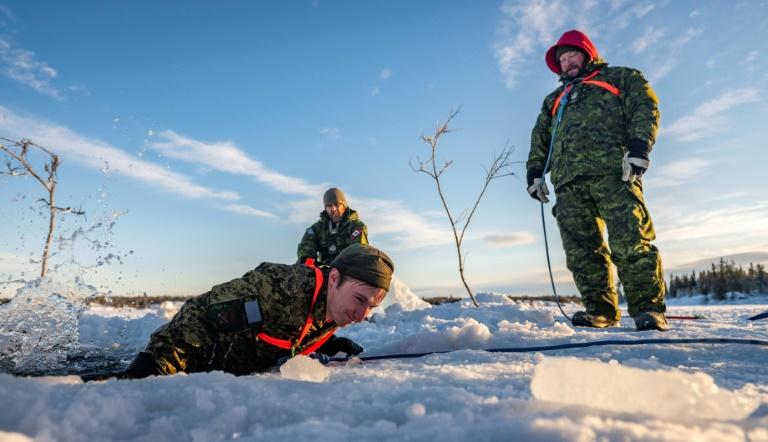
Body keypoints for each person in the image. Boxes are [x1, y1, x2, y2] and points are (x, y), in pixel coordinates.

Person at [526, 29, 667, 331]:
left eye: (572, 54)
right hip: (568, 183)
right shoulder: (554, 100)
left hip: (614, 173)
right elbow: (540, 139)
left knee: (630, 241)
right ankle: (600, 311)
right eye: (561, 59)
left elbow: (646, 107)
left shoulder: (619, 78)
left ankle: (649, 310)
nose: (567, 62)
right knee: (581, 252)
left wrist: (640, 147)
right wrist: (535, 174)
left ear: (587, 52)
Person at [123, 243, 394, 377]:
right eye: (359, 300)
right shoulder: (278, 289)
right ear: (334, 279)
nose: (362, 316)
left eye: (372, 306)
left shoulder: (336, 304)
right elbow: (201, 316)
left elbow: (290, 330)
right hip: (191, 371)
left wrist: (327, 343)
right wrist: (154, 370)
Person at [297, 187, 368, 265]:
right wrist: (309, 264)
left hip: (347, 268)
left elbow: (358, 252)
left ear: (344, 205)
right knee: (302, 265)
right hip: (321, 269)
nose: (333, 209)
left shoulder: (356, 226)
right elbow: (306, 246)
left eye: (337, 204)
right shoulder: (317, 228)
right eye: (329, 206)